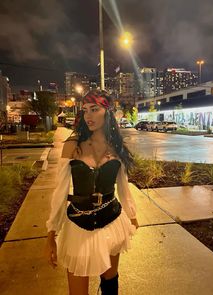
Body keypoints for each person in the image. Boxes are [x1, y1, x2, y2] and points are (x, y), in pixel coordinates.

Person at [45, 90, 139, 295]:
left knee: (110, 283)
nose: (88, 115)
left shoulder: (117, 147)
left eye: (94, 109)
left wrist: (132, 215)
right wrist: (51, 232)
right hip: (78, 225)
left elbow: (123, 184)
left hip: (111, 221)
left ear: (107, 111)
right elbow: (59, 192)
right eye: (85, 110)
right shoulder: (72, 145)